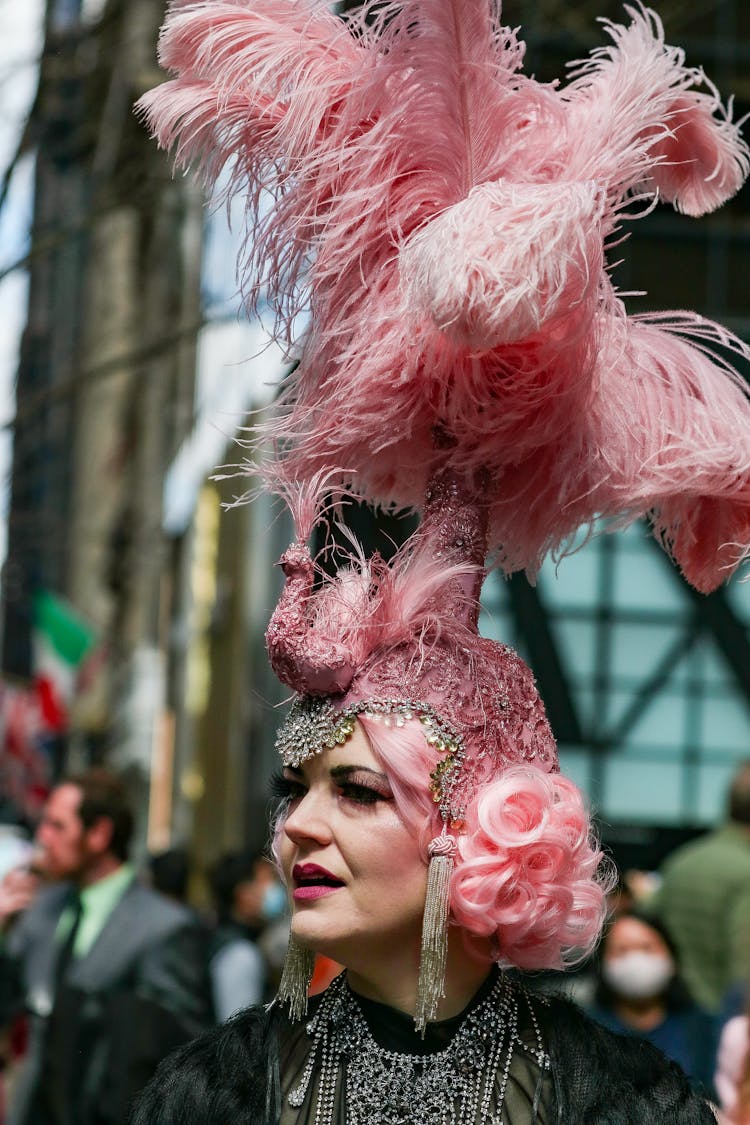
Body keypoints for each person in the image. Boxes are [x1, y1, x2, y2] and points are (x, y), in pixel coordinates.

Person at [134, 0, 749, 1120]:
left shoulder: (625, 1106)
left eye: (356, 790)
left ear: (482, 834)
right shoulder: (211, 1094)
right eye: (300, 787)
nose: (298, 827)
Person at [0, 769, 213, 1125]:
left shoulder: (163, 928)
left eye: (57, 826)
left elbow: (187, 1060)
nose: (43, 837)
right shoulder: (40, 912)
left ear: (98, 834)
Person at [588, 909, 719, 1096]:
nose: (635, 960)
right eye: (621, 950)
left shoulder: (702, 1026)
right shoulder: (589, 1030)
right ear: (602, 964)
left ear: (671, 958)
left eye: (646, 948)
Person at [653, 761, 750, 1013]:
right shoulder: (745, 872)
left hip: (672, 1014)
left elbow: (647, 918)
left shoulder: (681, 860)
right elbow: (745, 970)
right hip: (722, 1021)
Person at [208, 849, 287, 1019]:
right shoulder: (241, 955)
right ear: (243, 894)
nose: (278, 888)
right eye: (269, 880)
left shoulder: (227, 937)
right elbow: (238, 1034)